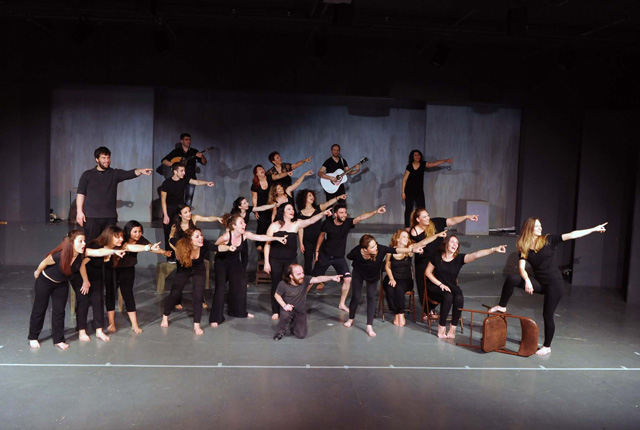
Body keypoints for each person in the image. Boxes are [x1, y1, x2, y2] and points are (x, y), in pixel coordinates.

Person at [487, 218, 607, 356]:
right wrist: (527, 280)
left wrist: (593, 229)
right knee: (512, 279)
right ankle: (502, 306)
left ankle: (547, 346)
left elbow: (572, 234)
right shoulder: (524, 246)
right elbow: (521, 268)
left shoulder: (549, 240)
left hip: (554, 285)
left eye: (540, 225)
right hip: (540, 283)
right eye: (537, 226)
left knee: (547, 315)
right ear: (529, 228)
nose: (540, 228)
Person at [28, 230, 119, 349]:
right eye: (80, 241)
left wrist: (114, 251)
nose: (84, 243)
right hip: (45, 282)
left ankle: (58, 340)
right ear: (71, 243)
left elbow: (98, 252)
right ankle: (33, 337)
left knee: (59, 312)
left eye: (84, 241)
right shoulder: (58, 255)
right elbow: (44, 263)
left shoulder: (81, 255)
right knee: (40, 309)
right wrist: (37, 272)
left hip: (61, 284)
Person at [83, 226, 160, 342]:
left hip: (103, 273)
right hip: (88, 275)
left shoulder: (118, 246)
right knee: (89, 300)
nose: (121, 240)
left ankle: (130, 324)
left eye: (122, 237)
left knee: (110, 294)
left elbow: (130, 247)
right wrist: (85, 280)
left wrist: (148, 247)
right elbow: (83, 263)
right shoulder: (95, 245)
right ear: (109, 236)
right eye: (117, 237)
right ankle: (89, 328)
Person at [209, 214, 287, 327]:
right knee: (220, 289)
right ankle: (215, 318)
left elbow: (260, 237)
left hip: (234, 262)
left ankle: (240, 312)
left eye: (244, 222)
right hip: (222, 263)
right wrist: (218, 255)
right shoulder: (226, 237)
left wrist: (277, 238)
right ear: (234, 226)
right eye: (241, 223)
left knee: (241, 285)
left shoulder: (244, 235)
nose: (244, 224)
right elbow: (215, 247)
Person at [426, 235, 507, 339]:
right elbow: (427, 272)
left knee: (459, 297)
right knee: (448, 296)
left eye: (457, 243)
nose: (455, 244)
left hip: (451, 287)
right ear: (446, 243)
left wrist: (494, 249)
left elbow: (476, 254)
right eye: (452, 242)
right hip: (436, 286)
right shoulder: (436, 257)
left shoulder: (459, 259)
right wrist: (440, 284)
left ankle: (453, 328)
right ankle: (441, 327)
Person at [312, 203, 387, 312]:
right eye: (341, 213)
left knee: (347, 279)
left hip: (339, 257)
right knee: (312, 279)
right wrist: (317, 251)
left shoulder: (347, 223)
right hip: (325, 255)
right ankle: (300, 299)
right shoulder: (327, 223)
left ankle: (342, 304)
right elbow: (321, 236)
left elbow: (361, 217)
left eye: (345, 212)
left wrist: (375, 212)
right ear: (335, 214)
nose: (344, 215)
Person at [264, 203, 332, 320]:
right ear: (283, 211)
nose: (292, 211)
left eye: (292, 209)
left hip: (291, 261)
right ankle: (276, 310)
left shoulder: (296, 224)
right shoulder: (274, 226)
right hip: (276, 260)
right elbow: (267, 244)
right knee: (276, 284)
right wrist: (266, 262)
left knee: (292, 285)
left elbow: (310, 220)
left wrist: (322, 214)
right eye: (288, 209)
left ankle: (290, 308)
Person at [344, 234, 420, 337]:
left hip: (372, 275)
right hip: (359, 273)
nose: (375, 248)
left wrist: (411, 250)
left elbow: (395, 250)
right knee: (356, 296)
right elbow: (349, 256)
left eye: (375, 244)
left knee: (371, 297)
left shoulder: (381, 249)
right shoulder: (357, 251)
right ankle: (351, 318)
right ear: (365, 249)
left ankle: (369, 326)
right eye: (372, 247)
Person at [409, 208, 479, 319]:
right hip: (423, 261)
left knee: (440, 284)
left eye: (428, 215)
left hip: (438, 260)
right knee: (424, 286)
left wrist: (466, 217)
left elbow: (452, 220)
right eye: (424, 217)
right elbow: (415, 245)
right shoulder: (414, 232)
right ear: (418, 219)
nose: (428, 218)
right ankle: (427, 310)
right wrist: (418, 248)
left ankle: (439, 304)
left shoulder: (436, 222)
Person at [76, 146, 152, 243]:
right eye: (103, 158)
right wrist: (79, 212)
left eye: (108, 158)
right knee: (92, 244)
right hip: (91, 216)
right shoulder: (87, 175)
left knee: (110, 244)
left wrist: (140, 171)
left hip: (110, 217)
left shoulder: (114, 173)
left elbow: (129, 173)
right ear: (97, 159)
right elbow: (81, 194)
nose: (106, 160)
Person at [161, 228, 229, 335]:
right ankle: (165, 316)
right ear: (190, 240)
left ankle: (196, 325)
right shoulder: (182, 244)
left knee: (198, 296)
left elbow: (218, 247)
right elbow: (171, 240)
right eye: (197, 236)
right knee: (175, 293)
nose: (201, 238)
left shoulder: (205, 244)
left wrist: (229, 247)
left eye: (201, 235)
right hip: (184, 269)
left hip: (198, 270)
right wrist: (175, 247)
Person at [112, 221, 171, 334]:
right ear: (128, 231)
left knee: (128, 294)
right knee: (111, 293)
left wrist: (164, 253)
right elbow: (130, 247)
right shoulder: (121, 238)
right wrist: (148, 247)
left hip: (128, 269)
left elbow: (152, 248)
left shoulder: (141, 240)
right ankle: (111, 323)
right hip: (113, 268)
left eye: (139, 231)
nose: (138, 234)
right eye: (135, 231)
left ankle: (134, 324)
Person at [382, 229, 445, 327]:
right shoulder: (391, 250)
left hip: (405, 279)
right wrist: (391, 278)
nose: (406, 239)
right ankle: (396, 313)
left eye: (407, 237)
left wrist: (437, 235)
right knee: (389, 288)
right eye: (404, 237)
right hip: (392, 277)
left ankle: (401, 313)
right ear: (397, 239)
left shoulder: (410, 248)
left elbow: (423, 242)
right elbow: (387, 266)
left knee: (399, 288)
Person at [168, 203, 224, 310]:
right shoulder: (175, 226)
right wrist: (177, 251)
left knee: (199, 279)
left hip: (196, 253)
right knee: (179, 280)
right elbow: (170, 239)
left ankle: (201, 300)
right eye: (185, 212)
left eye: (189, 211)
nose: (189, 214)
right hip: (183, 255)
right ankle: (177, 301)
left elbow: (207, 218)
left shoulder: (194, 218)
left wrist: (217, 218)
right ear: (180, 214)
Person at [160, 162, 214, 261]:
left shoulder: (184, 179)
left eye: (184, 170)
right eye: (181, 171)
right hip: (170, 210)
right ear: (175, 171)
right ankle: (170, 257)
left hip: (181, 209)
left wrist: (206, 183)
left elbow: (196, 182)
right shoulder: (166, 183)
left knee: (182, 233)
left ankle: (184, 254)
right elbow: (163, 200)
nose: (184, 173)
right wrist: (165, 215)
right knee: (169, 234)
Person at [273, 264, 342, 340]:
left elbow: (317, 279)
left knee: (301, 335)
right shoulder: (283, 284)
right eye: (298, 274)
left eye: (302, 273)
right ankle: (280, 331)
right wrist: (284, 305)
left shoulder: (305, 280)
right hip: (288, 309)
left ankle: (293, 324)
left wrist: (331, 277)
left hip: (300, 310)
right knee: (285, 315)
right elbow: (277, 295)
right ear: (291, 276)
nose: (302, 276)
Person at [296, 189, 346, 279]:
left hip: (318, 239)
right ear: (304, 198)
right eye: (309, 195)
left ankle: (320, 280)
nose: (312, 197)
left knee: (320, 260)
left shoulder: (318, 209)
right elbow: (300, 228)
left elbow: (328, 203)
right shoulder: (300, 213)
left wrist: (338, 197)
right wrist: (301, 243)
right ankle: (308, 280)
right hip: (307, 241)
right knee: (308, 261)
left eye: (312, 195)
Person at [401, 150, 453, 228]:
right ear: (412, 157)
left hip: (419, 192)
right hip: (409, 191)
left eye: (418, 155)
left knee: (422, 210)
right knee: (409, 209)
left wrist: (445, 160)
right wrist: (403, 192)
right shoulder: (409, 166)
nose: (417, 156)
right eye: (415, 155)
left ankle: (422, 226)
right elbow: (404, 179)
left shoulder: (423, 164)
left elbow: (434, 163)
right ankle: (407, 227)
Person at [161, 133, 208, 207]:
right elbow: (164, 161)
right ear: (181, 141)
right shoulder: (176, 151)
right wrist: (174, 165)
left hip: (190, 178)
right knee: (178, 199)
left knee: (188, 200)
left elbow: (204, 162)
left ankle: (187, 213)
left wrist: (202, 156)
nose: (188, 141)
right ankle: (178, 214)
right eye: (186, 140)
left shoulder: (194, 151)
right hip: (179, 180)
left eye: (189, 140)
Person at [251, 165, 273, 251]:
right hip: (261, 208)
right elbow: (254, 198)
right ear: (256, 173)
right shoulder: (255, 185)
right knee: (261, 224)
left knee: (270, 225)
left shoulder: (270, 179)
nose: (262, 170)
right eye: (259, 169)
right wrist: (255, 210)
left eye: (262, 168)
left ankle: (269, 244)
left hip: (271, 206)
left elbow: (278, 176)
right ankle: (259, 244)